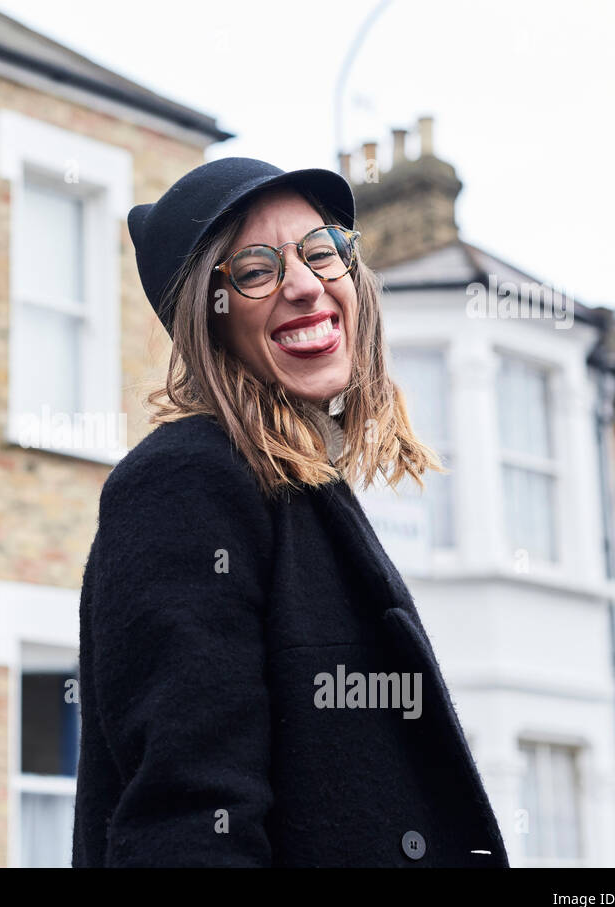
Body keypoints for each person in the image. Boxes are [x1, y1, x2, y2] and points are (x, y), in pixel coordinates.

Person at [71, 157, 508, 867]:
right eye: (254, 269)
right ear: (206, 320)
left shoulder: (305, 493)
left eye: (321, 250)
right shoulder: (186, 482)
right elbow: (189, 828)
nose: (306, 286)